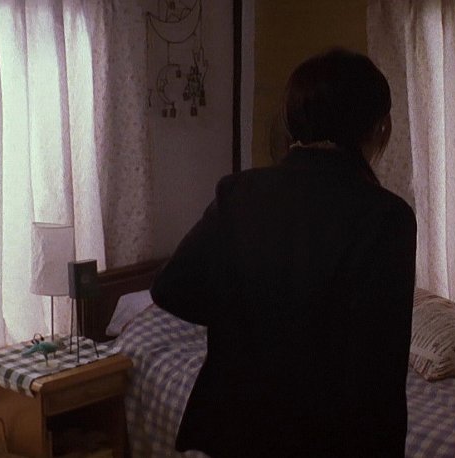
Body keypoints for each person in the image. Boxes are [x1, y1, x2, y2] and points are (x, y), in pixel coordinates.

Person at [150, 48, 417, 457]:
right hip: (326, 437)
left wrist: (249, 318)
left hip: (236, 426)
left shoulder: (240, 192)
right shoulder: (386, 216)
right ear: (379, 126)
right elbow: (380, 369)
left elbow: (171, 288)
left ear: (293, 121)